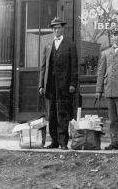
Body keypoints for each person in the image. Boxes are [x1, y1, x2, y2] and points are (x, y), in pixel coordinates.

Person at [39, 17, 78, 150]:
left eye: (59, 28)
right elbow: (43, 67)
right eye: (54, 28)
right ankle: (54, 141)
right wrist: (41, 85)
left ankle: (63, 142)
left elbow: (74, 66)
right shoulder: (48, 46)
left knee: (62, 113)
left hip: (64, 86)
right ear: (52, 30)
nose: (57, 30)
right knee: (52, 114)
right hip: (50, 86)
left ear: (63, 29)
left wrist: (72, 84)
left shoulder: (70, 45)